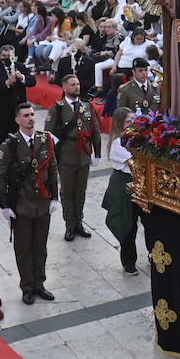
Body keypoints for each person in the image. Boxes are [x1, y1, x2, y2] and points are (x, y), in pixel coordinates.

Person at [0, 103, 59, 306]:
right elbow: (0, 176)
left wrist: (55, 197)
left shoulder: (45, 139)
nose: (31, 118)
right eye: (26, 115)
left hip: (42, 203)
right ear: (17, 120)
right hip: (21, 204)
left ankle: (40, 284)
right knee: (23, 248)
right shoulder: (10, 145)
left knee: (40, 247)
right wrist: (4, 205)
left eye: (32, 114)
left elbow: (53, 169)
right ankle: (27, 287)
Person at [45, 74, 99, 242]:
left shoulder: (87, 106)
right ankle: (70, 225)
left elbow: (95, 130)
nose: (77, 87)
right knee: (67, 192)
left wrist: (97, 153)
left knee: (80, 192)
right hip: (66, 156)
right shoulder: (58, 108)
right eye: (72, 84)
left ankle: (79, 223)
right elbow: (48, 135)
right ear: (65, 88)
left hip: (83, 155)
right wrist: (53, 156)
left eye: (77, 83)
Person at [101, 107, 142, 275]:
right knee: (128, 225)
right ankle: (129, 262)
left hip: (139, 185)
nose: (132, 124)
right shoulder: (118, 143)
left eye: (133, 120)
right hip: (124, 186)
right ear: (120, 124)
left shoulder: (134, 138)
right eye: (128, 121)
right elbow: (135, 162)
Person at [0, 44, 29, 169]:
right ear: (0, 56)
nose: (6, 58)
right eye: (4, 56)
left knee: (17, 141)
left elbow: (32, 81)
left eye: (9, 56)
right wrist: (7, 83)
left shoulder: (20, 67)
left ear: (14, 56)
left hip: (17, 113)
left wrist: (22, 77)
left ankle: (16, 167)